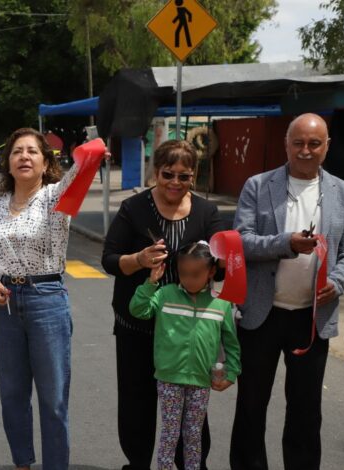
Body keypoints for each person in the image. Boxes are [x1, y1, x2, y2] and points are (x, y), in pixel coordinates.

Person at [229, 113, 344, 470]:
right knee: (251, 405)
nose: (305, 150)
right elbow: (241, 242)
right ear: (286, 144)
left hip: (312, 319)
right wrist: (285, 243)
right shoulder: (257, 186)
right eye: (298, 143)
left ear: (327, 146)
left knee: (305, 411)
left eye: (314, 143)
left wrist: (339, 280)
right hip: (261, 314)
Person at [101, 139, 226, 470]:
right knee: (136, 401)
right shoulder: (134, 208)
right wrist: (139, 259)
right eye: (168, 174)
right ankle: (138, 463)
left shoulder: (206, 212)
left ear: (193, 177)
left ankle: (191, 464)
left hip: (187, 329)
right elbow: (110, 260)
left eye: (184, 176)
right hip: (138, 324)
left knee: (191, 404)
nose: (175, 182)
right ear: (155, 172)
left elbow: (223, 262)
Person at [0, 127, 91, 470]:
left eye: (32, 152)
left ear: (45, 163)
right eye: (16, 152)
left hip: (47, 301)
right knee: (12, 396)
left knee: (53, 399)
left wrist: (93, 150)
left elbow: (83, 168)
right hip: (6, 305)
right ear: (8, 163)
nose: (24, 157)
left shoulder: (58, 197)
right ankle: (22, 464)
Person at [130, 242, 240, 470]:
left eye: (196, 274)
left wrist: (232, 371)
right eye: (183, 274)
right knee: (169, 434)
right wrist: (151, 283)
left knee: (193, 436)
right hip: (169, 378)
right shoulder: (165, 294)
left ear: (211, 272)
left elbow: (231, 342)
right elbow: (138, 309)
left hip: (201, 380)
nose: (188, 279)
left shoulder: (221, 303)